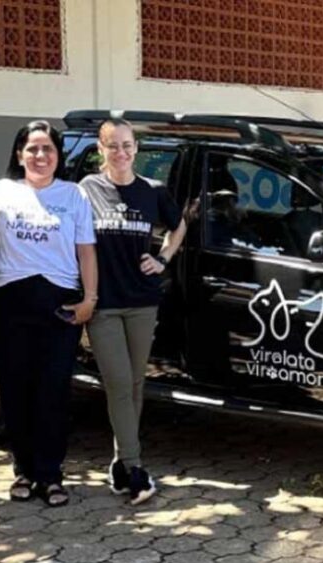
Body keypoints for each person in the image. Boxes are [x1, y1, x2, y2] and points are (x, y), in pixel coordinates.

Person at [0, 120, 98, 507]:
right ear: (19, 154)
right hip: (8, 303)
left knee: (53, 391)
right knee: (16, 391)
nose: (40, 155)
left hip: (59, 305)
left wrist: (90, 299)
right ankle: (23, 471)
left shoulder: (74, 195)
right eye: (32, 148)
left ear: (58, 156)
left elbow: (86, 251)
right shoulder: (0, 192)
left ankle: (50, 475)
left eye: (48, 148)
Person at [79, 119, 186, 505]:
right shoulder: (87, 189)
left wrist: (162, 258)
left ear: (136, 148)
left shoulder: (152, 191)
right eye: (112, 146)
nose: (120, 153)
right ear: (101, 149)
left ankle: (118, 464)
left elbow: (179, 226)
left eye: (126, 145)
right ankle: (135, 467)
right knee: (120, 383)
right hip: (104, 303)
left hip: (142, 301)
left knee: (136, 383)